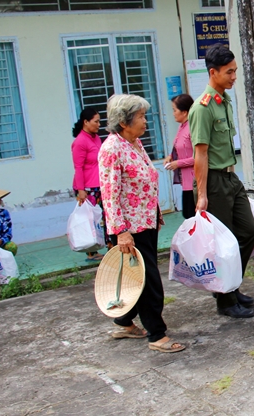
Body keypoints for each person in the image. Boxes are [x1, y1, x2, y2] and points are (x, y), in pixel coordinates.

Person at [99, 94, 185, 353]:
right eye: (141, 117)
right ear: (124, 122)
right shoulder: (112, 148)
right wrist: (121, 232)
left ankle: (124, 321)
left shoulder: (134, 143)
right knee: (149, 282)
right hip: (130, 228)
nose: (146, 121)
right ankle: (157, 336)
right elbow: (109, 194)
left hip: (144, 222)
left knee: (134, 277)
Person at [189, 43, 254, 319]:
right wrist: (202, 194)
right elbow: (200, 154)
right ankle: (226, 302)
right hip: (214, 183)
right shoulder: (202, 108)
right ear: (213, 72)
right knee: (224, 245)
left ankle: (230, 287)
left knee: (248, 232)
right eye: (229, 72)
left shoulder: (224, 100)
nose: (234, 77)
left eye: (235, 71)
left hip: (230, 177)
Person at [71, 107, 115, 262]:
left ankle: (110, 244)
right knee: (90, 219)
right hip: (88, 187)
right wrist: (81, 190)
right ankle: (91, 251)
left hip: (101, 184)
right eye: (96, 121)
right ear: (85, 122)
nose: (98, 124)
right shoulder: (80, 142)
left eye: (99, 121)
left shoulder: (95, 138)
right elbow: (78, 167)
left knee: (106, 215)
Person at [163, 94, 196, 219]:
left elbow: (199, 157)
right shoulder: (181, 127)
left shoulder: (192, 128)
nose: (173, 113)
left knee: (192, 216)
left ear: (185, 112)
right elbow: (180, 149)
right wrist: (170, 157)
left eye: (174, 110)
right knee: (188, 215)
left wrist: (178, 163)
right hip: (185, 182)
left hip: (194, 181)